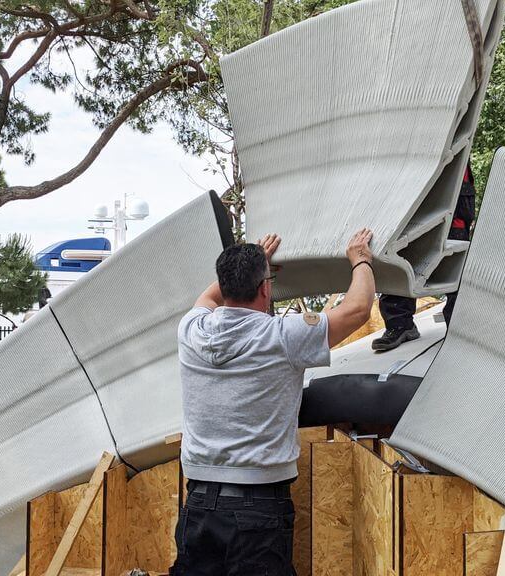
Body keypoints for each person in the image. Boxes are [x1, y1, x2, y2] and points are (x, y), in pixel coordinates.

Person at [170, 229, 376, 575]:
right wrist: (361, 259)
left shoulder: (192, 330)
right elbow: (357, 310)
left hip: (199, 504)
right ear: (266, 288)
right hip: (259, 506)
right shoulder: (282, 336)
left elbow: (207, 297)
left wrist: (250, 266)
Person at [372, 163, 476, 352]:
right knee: (399, 246)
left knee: (452, 250)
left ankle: (460, 326)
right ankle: (400, 323)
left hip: (450, 191)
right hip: (406, 181)